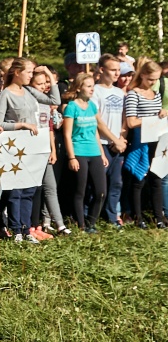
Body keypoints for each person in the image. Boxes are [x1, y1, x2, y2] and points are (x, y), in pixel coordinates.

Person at [0, 58, 41, 243]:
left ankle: (26, 228)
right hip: (14, 147)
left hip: (31, 146)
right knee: (16, 190)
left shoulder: (29, 92)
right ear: (17, 72)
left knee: (29, 189)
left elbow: (54, 100)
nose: (31, 75)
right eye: (29, 72)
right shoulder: (5, 94)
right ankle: (16, 230)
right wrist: (21, 125)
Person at [123, 58, 167, 228]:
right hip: (140, 142)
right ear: (142, 75)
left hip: (156, 141)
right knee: (139, 179)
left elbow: (157, 115)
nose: (153, 82)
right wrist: (150, 120)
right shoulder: (133, 94)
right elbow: (131, 121)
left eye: (156, 79)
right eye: (150, 79)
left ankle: (158, 217)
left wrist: (162, 113)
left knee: (156, 178)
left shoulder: (156, 95)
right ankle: (138, 217)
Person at [26, 66, 69, 238]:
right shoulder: (29, 101)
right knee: (34, 190)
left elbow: (50, 128)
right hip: (31, 150)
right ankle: (32, 226)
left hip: (45, 150)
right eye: (39, 84)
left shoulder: (46, 102)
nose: (44, 86)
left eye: (46, 83)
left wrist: (52, 149)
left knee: (50, 187)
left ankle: (60, 225)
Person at [63, 73, 109, 233]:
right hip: (79, 152)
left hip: (94, 151)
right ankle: (81, 225)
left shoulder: (92, 106)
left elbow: (96, 131)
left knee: (101, 192)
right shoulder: (71, 107)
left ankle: (92, 223)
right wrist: (71, 157)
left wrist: (102, 153)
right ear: (79, 88)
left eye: (92, 86)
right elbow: (67, 134)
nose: (92, 89)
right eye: (88, 86)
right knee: (80, 191)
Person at [93, 54, 127, 227]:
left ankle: (112, 217)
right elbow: (97, 121)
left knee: (116, 183)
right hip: (102, 144)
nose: (117, 73)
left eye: (118, 70)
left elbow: (125, 118)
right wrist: (114, 139)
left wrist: (121, 139)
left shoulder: (120, 92)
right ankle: (91, 218)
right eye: (113, 70)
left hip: (118, 146)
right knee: (98, 186)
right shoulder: (95, 91)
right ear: (102, 70)